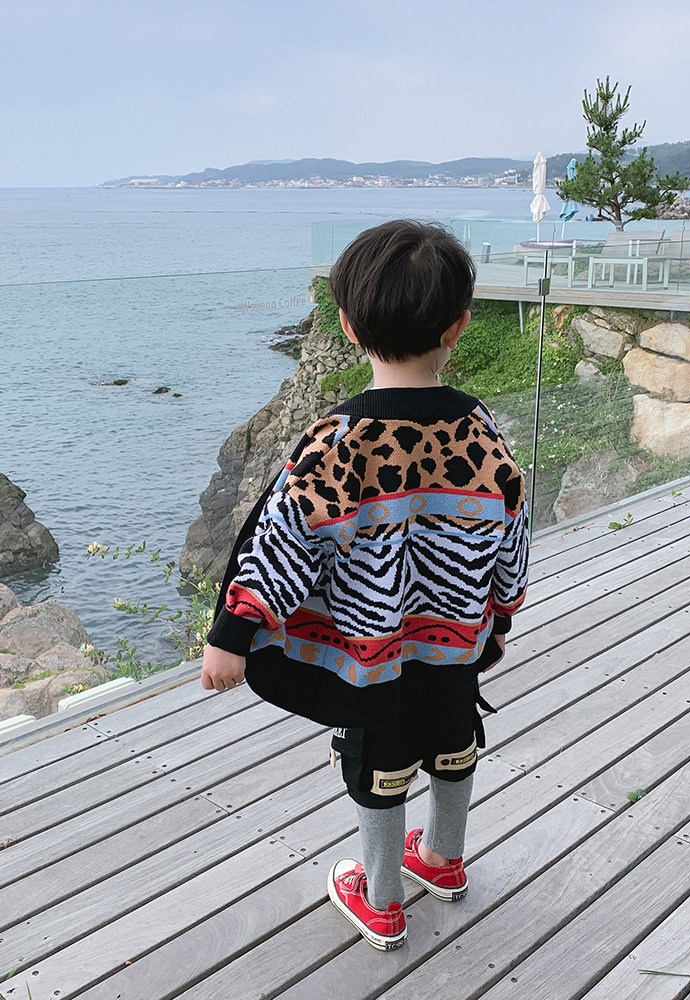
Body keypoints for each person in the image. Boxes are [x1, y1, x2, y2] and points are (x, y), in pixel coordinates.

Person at [201, 219, 529, 951]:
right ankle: (442, 858)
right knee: (454, 740)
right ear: (460, 326)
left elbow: (282, 544)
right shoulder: (481, 429)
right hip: (455, 643)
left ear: (347, 326)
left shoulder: (340, 440)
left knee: (378, 759)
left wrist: (232, 634)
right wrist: (501, 616)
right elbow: (513, 532)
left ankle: (381, 899)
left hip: (372, 653)